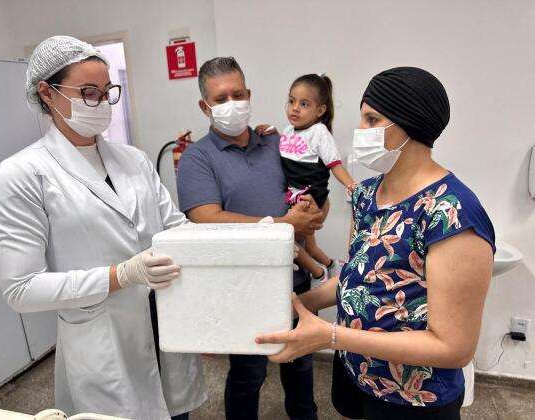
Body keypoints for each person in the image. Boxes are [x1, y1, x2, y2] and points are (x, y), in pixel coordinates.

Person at [256, 67, 495, 420]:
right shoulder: (366, 195)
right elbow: (358, 278)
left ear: (409, 125)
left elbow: (453, 347)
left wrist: (331, 337)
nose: (360, 132)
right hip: (359, 376)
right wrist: (294, 305)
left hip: (415, 397)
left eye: (372, 119)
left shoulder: (452, 213)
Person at [0, 36, 206, 420]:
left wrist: (249, 240)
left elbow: (175, 228)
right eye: (88, 92)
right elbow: (21, 289)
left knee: (176, 411)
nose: (102, 103)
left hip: (165, 321)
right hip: (102, 338)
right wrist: (120, 275)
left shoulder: (133, 160)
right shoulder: (22, 175)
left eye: (107, 92)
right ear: (47, 93)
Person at [177, 57, 323, 420]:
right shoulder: (197, 158)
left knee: (302, 365)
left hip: (294, 274)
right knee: (249, 373)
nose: (231, 103)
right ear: (204, 106)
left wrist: (310, 210)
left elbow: (311, 182)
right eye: (221, 97)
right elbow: (205, 217)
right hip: (241, 284)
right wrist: (282, 224)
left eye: (237, 94)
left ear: (249, 94)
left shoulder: (276, 143)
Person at [255, 73, 357, 288]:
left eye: (304, 104)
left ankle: (318, 274)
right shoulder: (287, 130)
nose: (294, 108)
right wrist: (270, 131)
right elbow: (285, 144)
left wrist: (352, 185)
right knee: (308, 246)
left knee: (284, 237)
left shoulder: (319, 133)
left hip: (310, 195)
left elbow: (335, 165)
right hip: (294, 194)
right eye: (291, 101)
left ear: (319, 111)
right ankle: (331, 265)